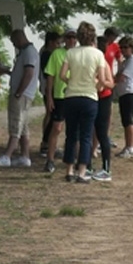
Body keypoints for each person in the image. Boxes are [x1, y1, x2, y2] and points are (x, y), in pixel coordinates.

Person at [59, 22, 107, 183]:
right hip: (89, 96)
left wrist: (71, 81)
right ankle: (82, 172)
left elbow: (62, 75)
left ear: (78, 37)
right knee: (86, 136)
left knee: (71, 135)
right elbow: (101, 78)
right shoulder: (97, 54)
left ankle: (69, 170)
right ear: (93, 37)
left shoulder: (71, 53)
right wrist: (97, 86)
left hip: (71, 96)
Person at [0, 29, 39, 167]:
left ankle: (7, 155)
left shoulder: (29, 52)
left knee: (15, 124)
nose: (14, 45)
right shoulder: (26, 52)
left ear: (18, 39)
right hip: (23, 93)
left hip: (22, 94)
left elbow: (29, 73)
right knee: (23, 126)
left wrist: (19, 92)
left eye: (13, 42)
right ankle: (25, 155)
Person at [42, 28, 77, 173]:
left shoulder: (79, 53)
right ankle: (50, 159)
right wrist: (49, 96)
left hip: (75, 94)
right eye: (68, 37)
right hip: (59, 96)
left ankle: (72, 159)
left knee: (74, 130)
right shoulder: (57, 53)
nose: (71, 40)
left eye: (73, 37)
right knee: (56, 128)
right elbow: (50, 76)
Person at [89, 36, 116, 181]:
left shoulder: (103, 62)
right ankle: (86, 166)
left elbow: (111, 83)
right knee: (87, 132)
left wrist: (100, 83)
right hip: (91, 97)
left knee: (102, 134)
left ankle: (106, 169)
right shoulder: (89, 61)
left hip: (103, 98)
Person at [114, 36, 133, 158]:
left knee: (128, 119)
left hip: (130, 92)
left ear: (131, 48)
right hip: (124, 93)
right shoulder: (125, 61)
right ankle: (128, 145)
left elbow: (121, 77)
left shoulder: (132, 61)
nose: (123, 50)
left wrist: (111, 80)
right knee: (125, 120)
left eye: (125, 47)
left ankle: (130, 147)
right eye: (121, 47)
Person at [38, 31, 62, 157]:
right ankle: (46, 143)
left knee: (50, 114)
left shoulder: (45, 53)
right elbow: (48, 75)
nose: (59, 46)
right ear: (51, 42)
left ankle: (46, 143)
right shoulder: (47, 54)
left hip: (49, 88)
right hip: (49, 88)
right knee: (51, 115)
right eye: (57, 43)